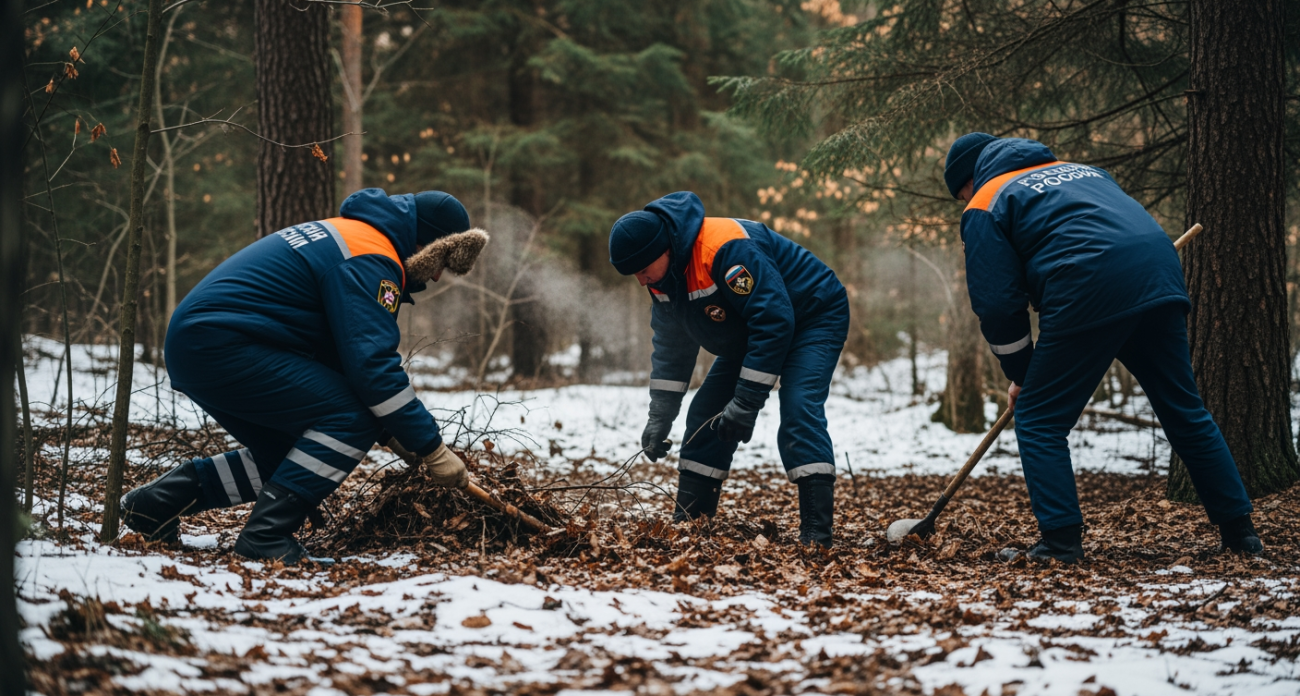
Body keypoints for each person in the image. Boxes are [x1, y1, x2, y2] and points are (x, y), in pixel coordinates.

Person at [121, 188, 489, 564]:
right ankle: (266, 537)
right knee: (352, 418)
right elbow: (372, 368)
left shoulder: (355, 236)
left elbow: (341, 358)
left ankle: (155, 504)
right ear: (424, 242)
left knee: (288, 458)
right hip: (221, 344)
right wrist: (431, 448)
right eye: (441, 260)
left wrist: (394, 433)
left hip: (201, 343)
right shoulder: (370, 258)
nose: (439, 276)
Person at [945, 132, 1262, 563]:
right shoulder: (1087, 173)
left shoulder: (986, 201)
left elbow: (999, 305)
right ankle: (1240, 532)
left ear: (969, 179)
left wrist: (1023, 375)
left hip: (1086, 283)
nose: (965, 200)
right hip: (1158, 277)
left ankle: (1059, 543)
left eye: (960, 193)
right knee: (1183, 409)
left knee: (1039, 418)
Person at [608, 192, 848, 547]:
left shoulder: (724, 249)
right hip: (753, 329)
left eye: (643, 270)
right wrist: (660, 416)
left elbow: (775, 320)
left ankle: (816, 536)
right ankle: (692, 525)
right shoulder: (664, 279)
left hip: (812, 314)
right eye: (635, 275)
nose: (642, 281)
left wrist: (747, 402)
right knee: (706, 413)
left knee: (799, 408)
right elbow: (672, 349)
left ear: (665, 250)